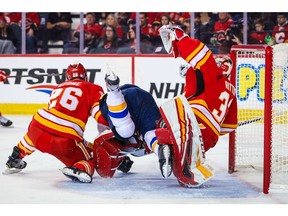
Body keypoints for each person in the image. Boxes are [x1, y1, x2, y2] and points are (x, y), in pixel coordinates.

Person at [158, 23, 238, 187]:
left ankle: (173, 155)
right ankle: (179, 157)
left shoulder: (214, 74)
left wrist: (179, 35)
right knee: (170, 134)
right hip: (208, 140)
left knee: (164, 123)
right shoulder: (231, 91)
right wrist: (190, 74)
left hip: (194, 128)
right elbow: (230, 125)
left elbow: (201, 52)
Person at [3, 63, 105, 183]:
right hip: (66, 138)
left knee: (34, 136)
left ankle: (16, 157)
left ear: (67, 77)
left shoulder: (58, 88)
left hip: (38, 125)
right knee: (90, 161)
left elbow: (52, 124)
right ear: (86, 77)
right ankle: (80, 168)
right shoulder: (93, 88)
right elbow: (101, 117)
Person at [92, 67, 171, 179]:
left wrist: (119, 161)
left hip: (124, 101)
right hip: (143, 96)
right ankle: (160, 149)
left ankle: (113, 92)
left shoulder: (123, 144)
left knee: (125, 131)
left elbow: (105, 140)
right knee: (150, 133)